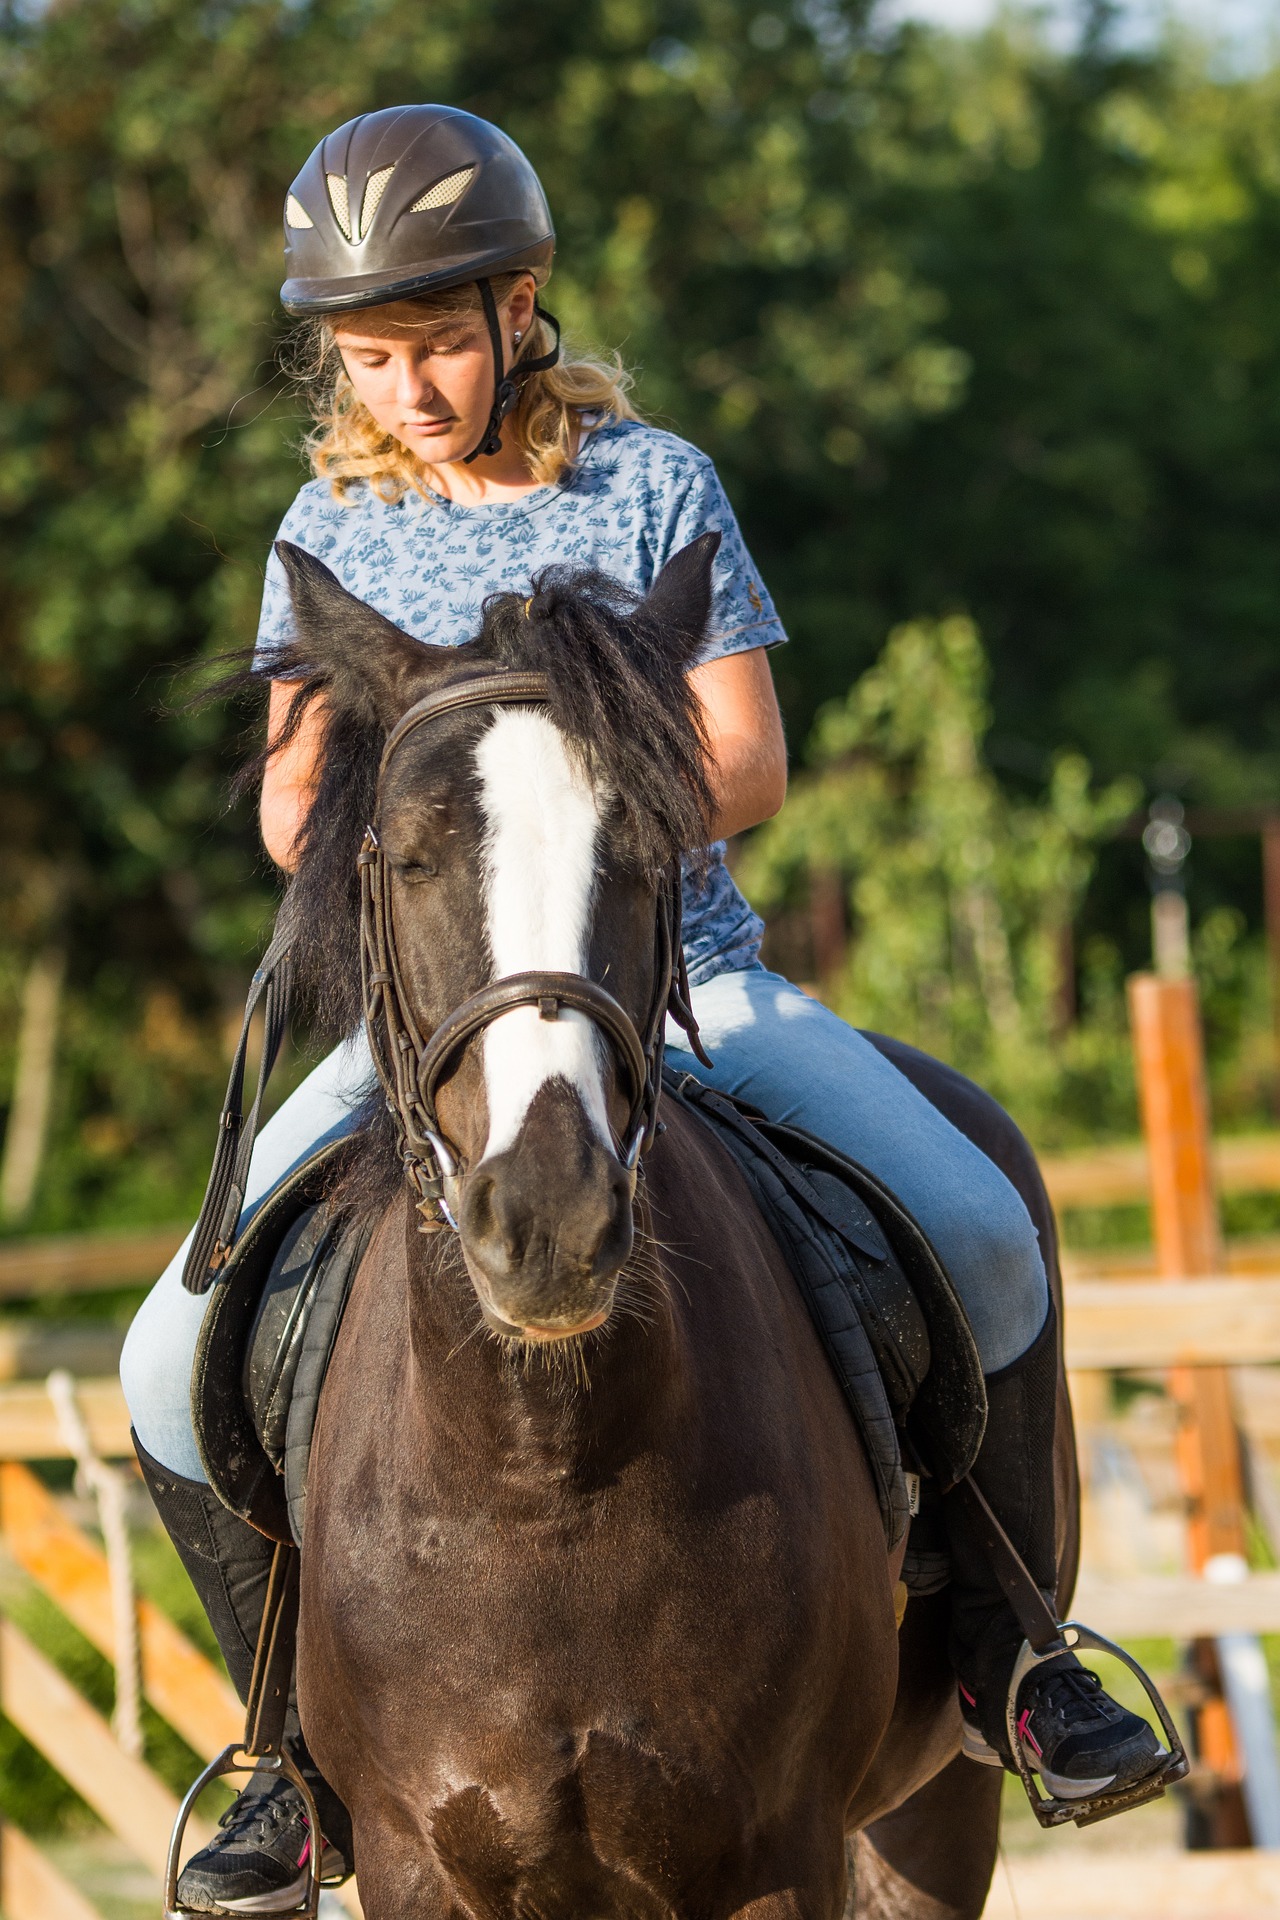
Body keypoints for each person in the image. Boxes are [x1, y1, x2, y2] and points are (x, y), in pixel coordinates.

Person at [120, 104, 1162, 1915]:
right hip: (432, 1020)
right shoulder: (327, 524)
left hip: (685, 985)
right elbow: (298, 811)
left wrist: (577, 767)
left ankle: (1017, 1655)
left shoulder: (654, 484)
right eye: (369, 355)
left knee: (986, 1223)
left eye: (439, 340)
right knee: (159, 1358)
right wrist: (418, 779)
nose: (410, 386)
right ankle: (284, 1751)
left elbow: (744, 757)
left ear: (524, 306)